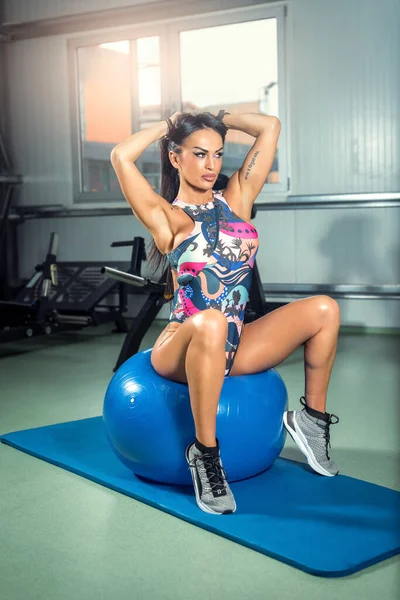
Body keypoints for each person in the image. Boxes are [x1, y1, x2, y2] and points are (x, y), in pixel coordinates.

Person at [110, 110, 341, 516]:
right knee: (212, 322)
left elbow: (270, 127)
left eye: (217, 155)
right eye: (199, 154)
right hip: (182, 345)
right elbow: (120, 156)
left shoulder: (237, 199)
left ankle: (311, 421)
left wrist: (219, 116)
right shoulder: (168, 217)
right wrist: (170, 124)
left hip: (234, 341)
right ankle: (205, 454)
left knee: (324, 309)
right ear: (175, 157)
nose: (211, 165)